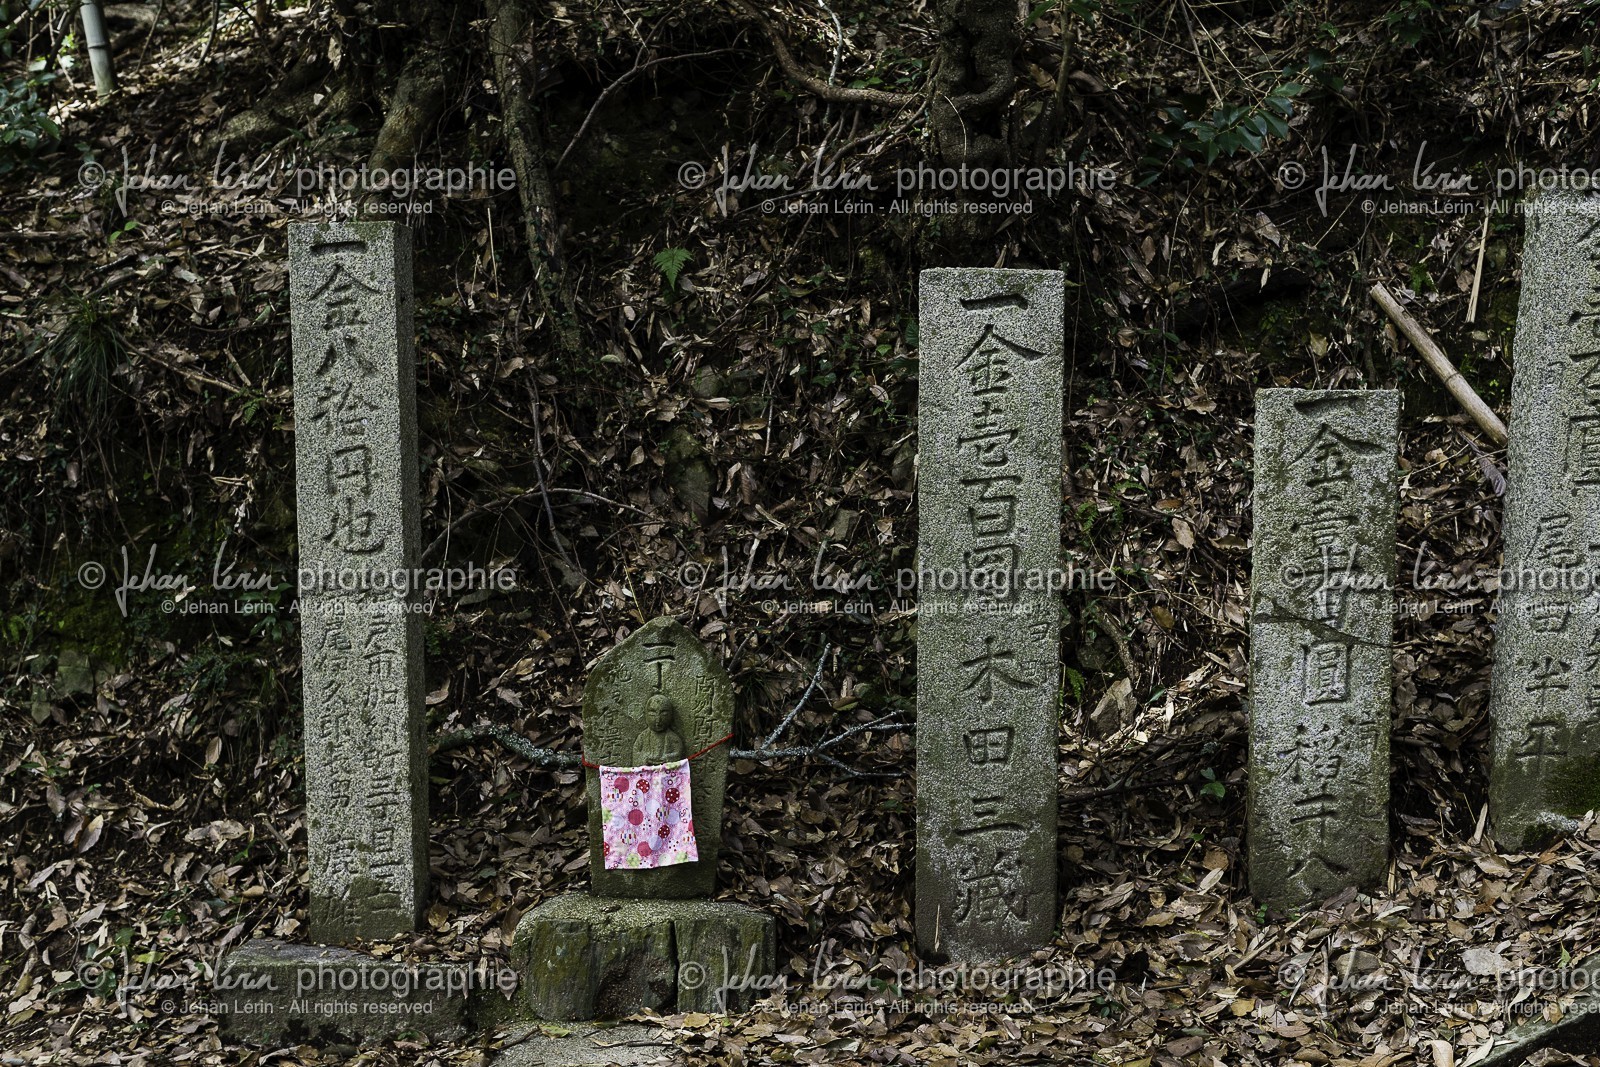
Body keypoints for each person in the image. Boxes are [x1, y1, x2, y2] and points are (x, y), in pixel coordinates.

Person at [632, 693, 686, 764]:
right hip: (647, 773)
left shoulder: (673, 738)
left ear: (670, 716)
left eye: (664, 714)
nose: (658, 719)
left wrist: (667, 759)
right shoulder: (643, 737)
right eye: (652, 714)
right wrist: (646, 759)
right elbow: (636, 754)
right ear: (646, 714)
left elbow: (677, 754)